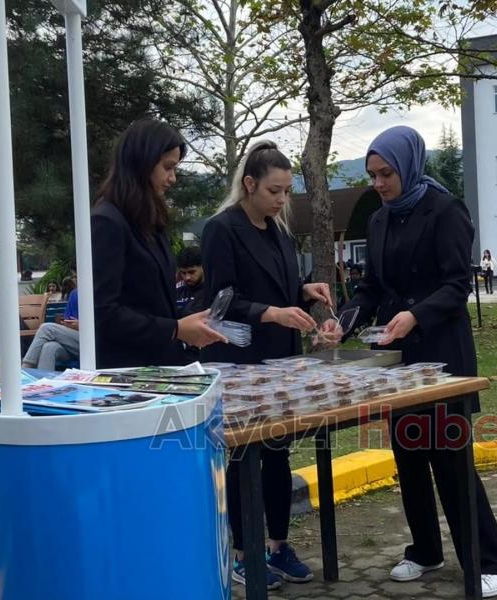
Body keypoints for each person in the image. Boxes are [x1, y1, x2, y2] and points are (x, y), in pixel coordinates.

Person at [322, 126, 497, 598]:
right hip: (395, 357)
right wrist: (342, 323)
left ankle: (490, 560)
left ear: (408, 166)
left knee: (451, 463)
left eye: (386, 173)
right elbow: (370, 289)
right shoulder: (381, 219)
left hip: (442, 355)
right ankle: (425, 551)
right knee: (408, 459)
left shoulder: (446, 211)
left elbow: (456, 286)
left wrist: (414, 314)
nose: (379, 183)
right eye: (372, 175)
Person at [200, 140, 332, 590]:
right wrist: (271, 312)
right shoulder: (221, 229)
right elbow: (221, 300)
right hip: (238, 361)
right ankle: (241, 552)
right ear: (250, 185)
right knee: (241, 462)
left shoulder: (279, 231)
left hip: (281, 361)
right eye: (274, 190)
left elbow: (283, 288)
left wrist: (304, 292)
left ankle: (278, 545)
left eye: (287, 191)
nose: (281, 200)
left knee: (277, 457)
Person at [91, 119, 225, 368]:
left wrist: (190, 323)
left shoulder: (149, 219)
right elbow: (103, 312)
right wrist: (175, 328)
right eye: (167, 167)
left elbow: (154, 302)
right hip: (127, 373)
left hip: (162, 365)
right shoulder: (106, 221)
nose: (173, 178)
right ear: (141, 164)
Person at [22, 287, 80, 371]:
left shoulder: (99, 293)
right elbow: (68, 319)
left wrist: (83, 326)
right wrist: (67, 325)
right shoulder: (74, 293)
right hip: (72, 342)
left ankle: (25, 369)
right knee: (49, 347)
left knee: (46, 328)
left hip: (93, 342)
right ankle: (43, 381)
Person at [176, 245, 207, 317]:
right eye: (183, 273)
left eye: (192, 272)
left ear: (202, 267)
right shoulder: (175, 291)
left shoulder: (212, 292)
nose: (187, 278)